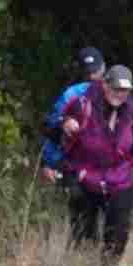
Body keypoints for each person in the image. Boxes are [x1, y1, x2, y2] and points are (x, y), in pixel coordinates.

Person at [59, 64, 133, 266]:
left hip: (120, 176)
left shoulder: (131, 108)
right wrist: (67, 123)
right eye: (116, 89)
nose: (120, 94)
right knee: (84, 230)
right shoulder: (83, 102)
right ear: (105, 84)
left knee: (118, 231)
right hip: (86, 176)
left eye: (125, 91)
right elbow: (56, 123)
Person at [38, 46, 106, 183]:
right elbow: (50, 129)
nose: (92, 76)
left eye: (94, 70)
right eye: (88, 72)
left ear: (103, 67)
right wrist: (46, 165)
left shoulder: (115, 94)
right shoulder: (70, 95)